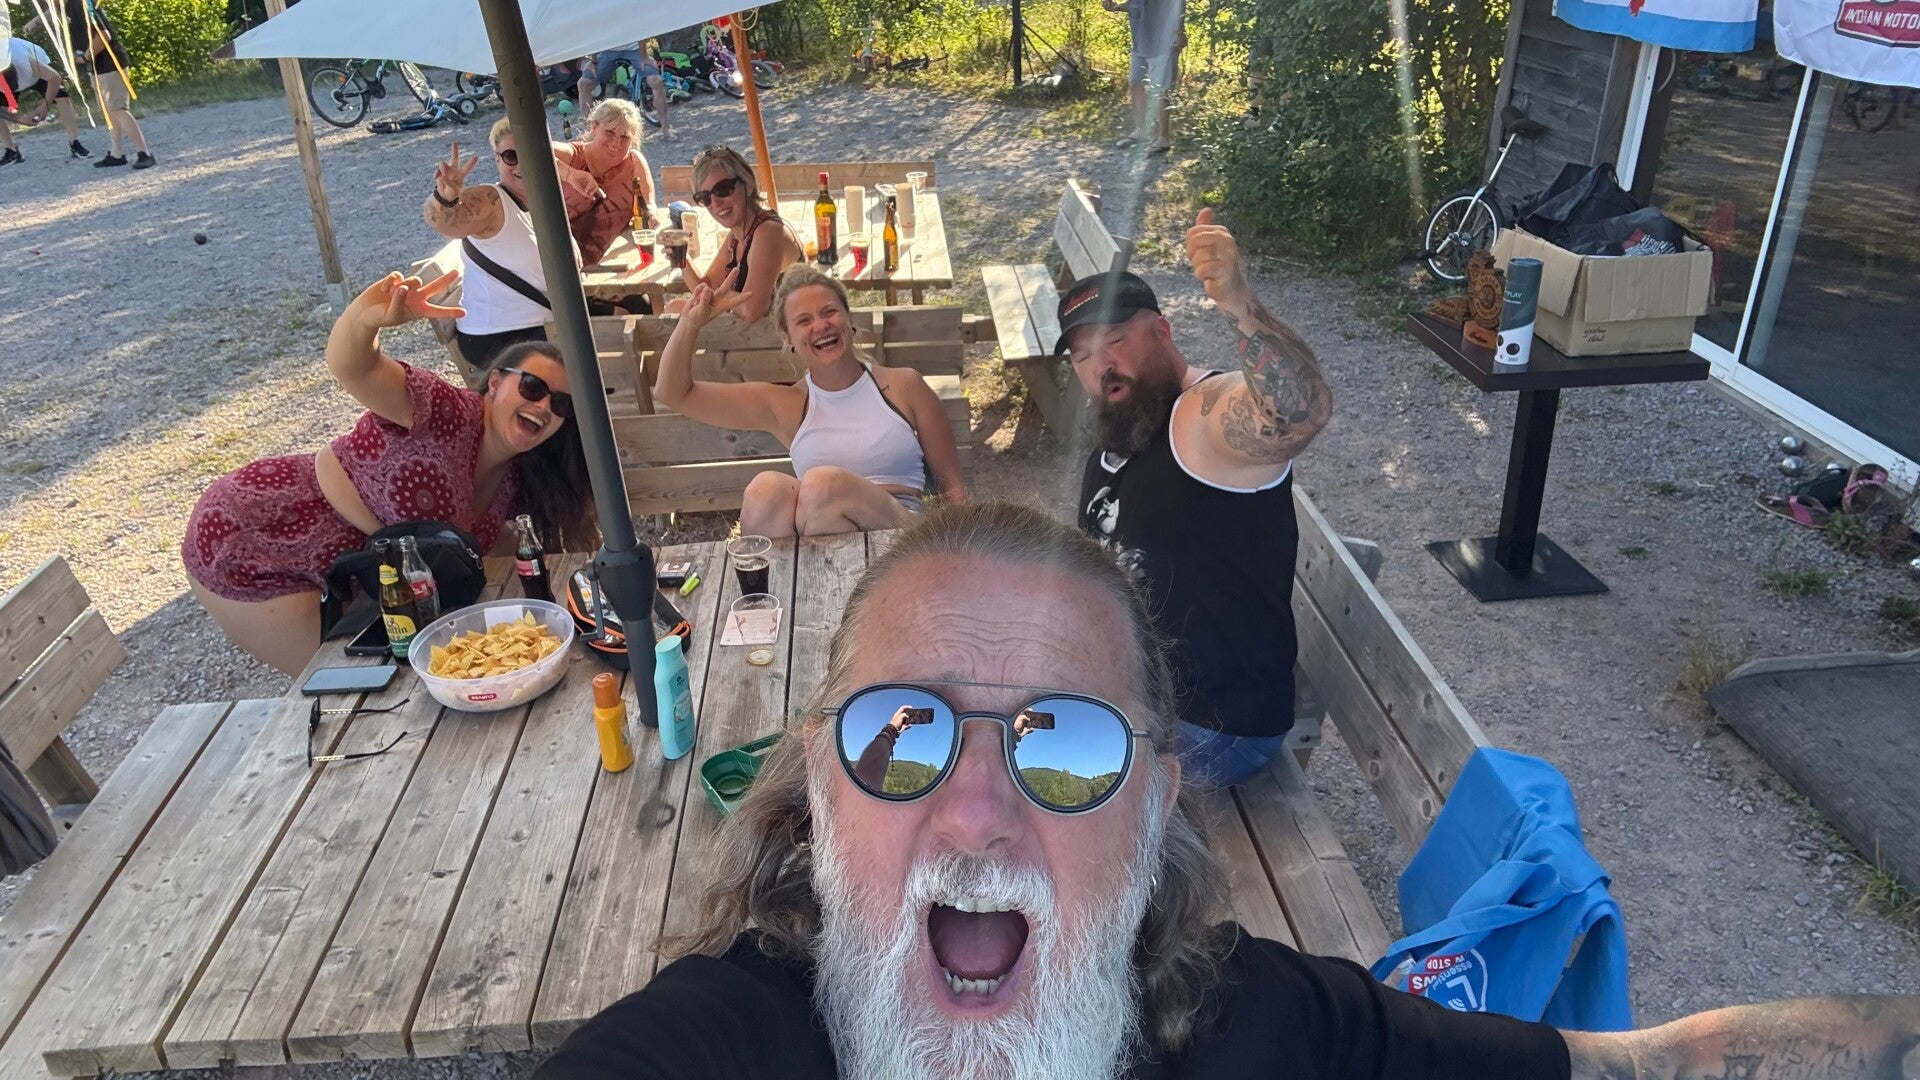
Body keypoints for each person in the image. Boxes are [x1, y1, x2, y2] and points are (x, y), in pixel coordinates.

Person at [535, 500, 1920, 1079]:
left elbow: (1615, 1066)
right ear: (819, 790)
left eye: (1068, 747)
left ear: (1156, 810)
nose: (976, 814)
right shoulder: (714, 1045)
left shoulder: (1260, 1027)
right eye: (903, 735)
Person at [181, 272, 594, 676]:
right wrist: (363, 320)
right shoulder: (442, 409)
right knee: (342, 682)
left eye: (561, 404)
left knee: (392, 675)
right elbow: (352, 366)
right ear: (497, 383)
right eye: (533, 387)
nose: (544, 406)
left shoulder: (521, 479)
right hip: (255, 532)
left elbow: (493, 558)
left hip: (353, 573)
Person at [1064, 209, 1332, 790]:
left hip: (1213, 728)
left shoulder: (1201, 418)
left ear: (1162, 333)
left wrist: (1236, 299)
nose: (1101, 365)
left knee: (1030, 767)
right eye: (1082, 355)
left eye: (1115, 341)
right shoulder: (1126, 422)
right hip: (1140, 695)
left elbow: (1298, 412)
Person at [654, 263, 963, 538]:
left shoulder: (904, 385)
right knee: (765, 491)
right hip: (822, 542)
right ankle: (779, 583)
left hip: (901, 537)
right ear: (789, 339)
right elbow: (673, 394)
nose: (820, 325)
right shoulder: (786, 404)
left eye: (829, 312)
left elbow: (954, 491)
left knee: (823, 486)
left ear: (848, 318)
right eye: (803, 321)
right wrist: (690, 323)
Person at [423, 123, 580, 368]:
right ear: (497, 159)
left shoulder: (540, 200)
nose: (523, 164)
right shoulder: (491, 201)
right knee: (610, 339)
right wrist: (445, 197)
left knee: (631, 307)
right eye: (511, 156)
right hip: (500, 335)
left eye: (531, 153)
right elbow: (445, 223)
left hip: (543, 320)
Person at [675, 143, 802, 325]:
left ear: (748, 184)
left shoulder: (768, 231)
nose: (715, 203)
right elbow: (706, 287)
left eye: (723, 189)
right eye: (705, 197)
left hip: (785, 336)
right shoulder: (737, 234)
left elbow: (751, 310)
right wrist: (681, 257)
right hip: (757, 334)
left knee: (679, 317)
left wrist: (719, 295)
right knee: (674, 309)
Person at [553, 98, 658, 266]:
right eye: (610, 132)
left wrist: (651, 214)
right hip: (561, 266)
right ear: (594, 127)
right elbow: (523, 149)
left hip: (612, 266)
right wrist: (570, 174)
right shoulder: (572, 155)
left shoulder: (633, 163)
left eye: (625, 137)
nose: (616, 142)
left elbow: (648, 205)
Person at [1103, 0, 1185, 153]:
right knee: (1135, 83)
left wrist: (1180, 32)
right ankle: (1141, 131)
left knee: (1160, 90)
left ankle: (1163, 138)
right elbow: (1135, 5)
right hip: (1140, 44)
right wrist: (1117, 7)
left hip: (1163, 44)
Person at [0, 36, 90, 165]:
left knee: (62, 98)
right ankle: (11, 151)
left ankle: (75, 143)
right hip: (16, 75)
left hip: (38, 74)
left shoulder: (23, 59)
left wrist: (45, 106)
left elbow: (54, 77)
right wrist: (18, 119)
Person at [578, 40, 670, 141]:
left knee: (655, 80)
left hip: (635, 49)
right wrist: (593, 61)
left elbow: (641, 33)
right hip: (608, 50)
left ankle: (666, 130)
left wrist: (644, 57)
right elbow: (595, 35)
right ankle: (589, 133)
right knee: (583, 83)